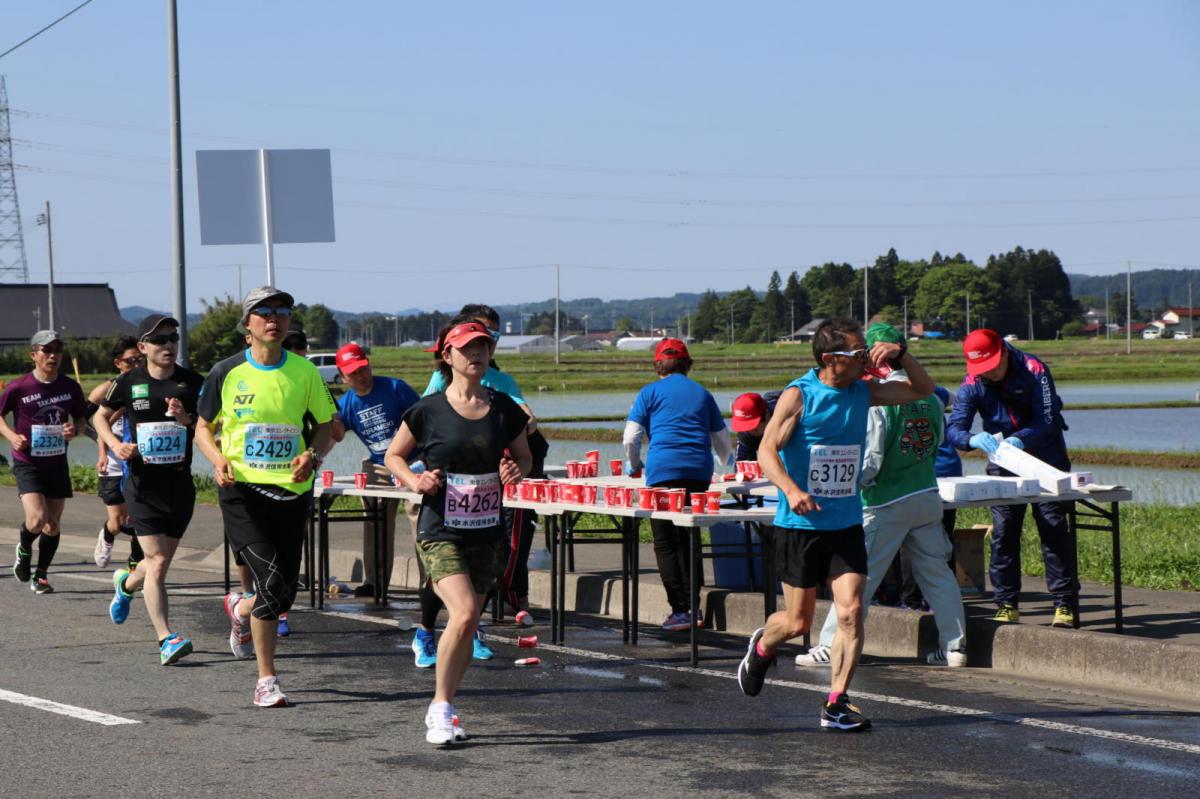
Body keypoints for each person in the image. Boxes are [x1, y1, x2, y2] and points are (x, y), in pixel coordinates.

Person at [736, 317, 934, 732]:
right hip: (800, 524)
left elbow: (922, 390)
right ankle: (763, 645)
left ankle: (836, 702)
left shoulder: (863, 391)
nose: (866, 359)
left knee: (852, 612)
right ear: (830, 359)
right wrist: (791, 490)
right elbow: (768, 451)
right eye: (857, 353)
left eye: (867, 352)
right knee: (797, 623)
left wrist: (903, 353)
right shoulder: (799, 395)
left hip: (845, 523)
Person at [385, 317, 531, 746]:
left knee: (467, 624)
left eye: (483, 347)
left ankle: (446, 705)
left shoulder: (504, 408)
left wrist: (513, 471)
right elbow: (395, 455)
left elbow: (524, 458)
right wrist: (415, 481)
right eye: (467, 347)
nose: (477, 354)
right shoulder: (427, 410)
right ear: (446, 355)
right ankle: (440, 708)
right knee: (464, 612)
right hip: (439, 527)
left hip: (487, 529)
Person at [796, 323, 967, 670]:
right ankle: (955, 648)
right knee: (937, 573)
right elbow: (936, 441)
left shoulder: (880, 399)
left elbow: (871, 460)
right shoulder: (929, 397)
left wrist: (850, 485)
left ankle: (829, 645)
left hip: (886, 500)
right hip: (926, 492)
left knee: (859, 578)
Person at [195, 287, 335, 707]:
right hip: (242, 493)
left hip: (291, 492)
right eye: (264, 312)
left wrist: (312, 454)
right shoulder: (227, 371)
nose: (274, 319)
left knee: (286, 592)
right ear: (248, 324)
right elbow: (203, 427)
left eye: (282, 312)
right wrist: (217, 459)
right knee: (271, 583)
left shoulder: (305, 373)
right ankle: (267, 679)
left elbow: (325, 426)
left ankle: (239, 611)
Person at [945, 328, 1077, 627]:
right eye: (981, 369)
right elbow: (954, 429)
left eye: (991, 366)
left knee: (1053, 531)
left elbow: (1047, 419)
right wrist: (972, 439)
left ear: (1003, 352)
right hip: (1004, 464)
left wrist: (1020, 439)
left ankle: (1064, 604)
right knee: (1004, 534)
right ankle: (1006, 603)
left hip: (1046, 460)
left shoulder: (1034, 370)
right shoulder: (973, 382)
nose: (988, 374)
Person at [94, 315, 205, 666]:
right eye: (159, 340)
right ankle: (166, 639)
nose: (168, 345)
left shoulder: (192, 382)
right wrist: (114, 444)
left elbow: (207, 426)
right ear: (143, 348)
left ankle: (125, 585)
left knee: (157, 565)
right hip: (142, 485)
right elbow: (99, 416)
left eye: (172, 338)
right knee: (156, 563)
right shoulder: (129, 381)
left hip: (179, 483)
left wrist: (185, 420)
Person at [623, 337, 733, 631]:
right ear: (688, 364)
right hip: (698, 473)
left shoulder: (649, 393)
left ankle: (680, 610)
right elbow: (722, 439)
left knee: (666, 543)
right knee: (690, 539)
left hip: (662, 473)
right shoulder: (702, 393)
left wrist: (635, 465)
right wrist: (729, 468)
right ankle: (695, 609)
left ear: (657, 364)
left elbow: (631, 438)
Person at [0, 330, 87, 594]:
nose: (52, 356)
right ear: (33, 355)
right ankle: (24, 549)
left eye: (57, 351)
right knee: (37, 519)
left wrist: (75, 430)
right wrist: (11, 435)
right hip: (28, 461)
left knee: (53, 524)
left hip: (56, 462)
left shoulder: (70, 387)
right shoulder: (19, 387)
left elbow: (81, 421)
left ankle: (41, 576)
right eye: (46, 351)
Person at [329, 341, 419, 597]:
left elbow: (424, 421)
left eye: (362, 369)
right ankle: (375, 581)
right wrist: (329, 416)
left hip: (413, 460)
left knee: (420, 517)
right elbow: (336, 435)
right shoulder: (346, 403)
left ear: (368, 364)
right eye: (352, 373)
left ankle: (431, 584)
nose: (359, 376)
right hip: (379, 466)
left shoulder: (395, 387)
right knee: (374, 519)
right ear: (343, 376)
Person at [88, 336, 145, 571]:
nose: (136, 365)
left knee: (139, 518)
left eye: (140, 360)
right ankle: (107, 534)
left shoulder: (146, 385)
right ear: (118, 363)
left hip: (138, 461)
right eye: (131, 361)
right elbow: (89, 422)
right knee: (119, 521)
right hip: (112, 462)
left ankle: (135, 562)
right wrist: (104, 450)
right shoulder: (107, 389)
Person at [731, 390, 782, 461]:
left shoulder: (784, 415)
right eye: (745, 426)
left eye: (753, 426)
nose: (750, 431)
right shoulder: (745, 433)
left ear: (766, 414)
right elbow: (741, 463)